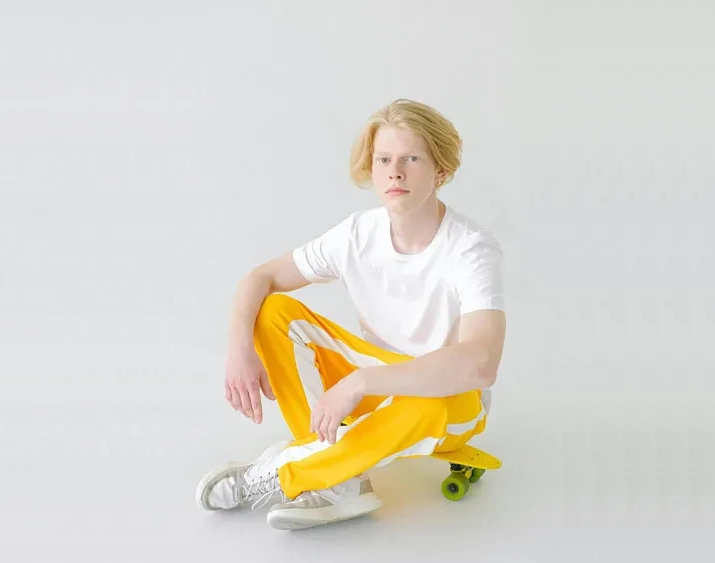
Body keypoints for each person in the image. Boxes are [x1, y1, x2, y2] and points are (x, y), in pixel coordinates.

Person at [195, 98, 506, 531]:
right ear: (372, 169)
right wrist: (239, 351)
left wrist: (360, 382)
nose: (395, 172)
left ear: (441, 171)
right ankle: (342, 480)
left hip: (449, 399)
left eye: (411, 159)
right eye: (384, 159)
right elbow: (260, 277)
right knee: (273, 311)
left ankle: (284, 473)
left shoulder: (470, 247)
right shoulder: (358, 233)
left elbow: (480, 363)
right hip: (376, 382)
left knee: (426, 407)